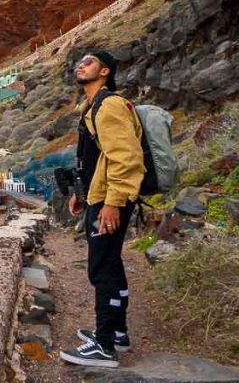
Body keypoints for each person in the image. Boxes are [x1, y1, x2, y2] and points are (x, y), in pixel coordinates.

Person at [59, 50, 145, 369]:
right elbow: (99, 157)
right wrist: (83, 193)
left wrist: (112, 202)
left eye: (90, 61)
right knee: (111, 262)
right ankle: (117, 332)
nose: (81, 64)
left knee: (102, 268)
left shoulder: (108, 105)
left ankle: (104, 345)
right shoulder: (93, 107)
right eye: (80, 61)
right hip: (101, 196)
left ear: (105, 71)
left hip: (111, 200)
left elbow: (126, 158)